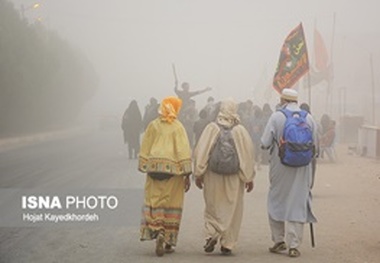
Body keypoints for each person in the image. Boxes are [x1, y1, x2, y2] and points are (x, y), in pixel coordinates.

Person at [193, 98, 255, 256]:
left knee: (212, 205)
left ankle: (212, 233)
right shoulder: (240, 131)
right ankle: (228, 243)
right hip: (234, 177)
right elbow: (248, 155)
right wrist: (248, 177)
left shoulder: (211, 128)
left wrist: (199, 173)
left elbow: (201, 151)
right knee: (233, 209)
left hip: (212, 175)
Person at [260, 88, 317, 258]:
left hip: (280, 167)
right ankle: (294, 245)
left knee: (276, 200)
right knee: (297, 203)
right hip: (303, 168)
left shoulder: (276, 116)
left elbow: (264, 142)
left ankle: (279, 240)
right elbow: (316, 148)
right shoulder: (309, 118)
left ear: (282, 99)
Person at [138, 96, 192, 257]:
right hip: (174, 172)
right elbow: (183, 150)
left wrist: (143, 164)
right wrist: (187, 173)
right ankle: (168, 238)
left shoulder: (153, 125)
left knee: (154, 199)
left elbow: (145, 146)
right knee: (171, 202)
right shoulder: (178, 127)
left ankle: (157, 228)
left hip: (154, 168)